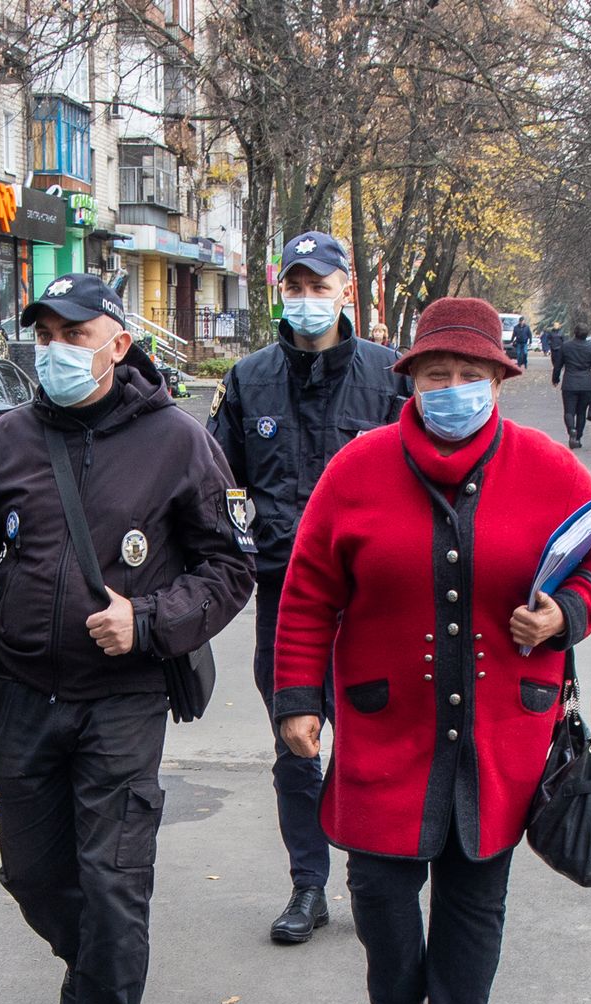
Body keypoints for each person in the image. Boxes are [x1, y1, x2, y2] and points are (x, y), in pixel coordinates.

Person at [272, 295, 591, 1004]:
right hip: (384, 724)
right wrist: (299, 698)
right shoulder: (357, 470)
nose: (456, 388)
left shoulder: (546, 467)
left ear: (500, 382)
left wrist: (564, 614)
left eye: (473, 374)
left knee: (476, 899)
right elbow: (306, 593)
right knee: (379, 892)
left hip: (503, 728)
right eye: (439, 374)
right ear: (413, 381)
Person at [0, 273, 254, 1004]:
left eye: (76, 332)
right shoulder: (4, 443)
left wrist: (147, 621)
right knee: (31, 872)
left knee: (113, 883)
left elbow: (228, 569)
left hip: (124, 701)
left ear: (117, 340)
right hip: (27, 694)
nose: (57, 347)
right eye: (46, 332)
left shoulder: (178, 442)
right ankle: (92, 964)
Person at [207, 230, 408, 947]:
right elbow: (218, 487)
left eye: (319, 287)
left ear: (345, 290)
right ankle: (307, 884)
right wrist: (240, 553)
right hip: (285, 597)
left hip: (376, 604)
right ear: (280, 292)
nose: (307, 300)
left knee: (372, 744)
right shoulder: (248, 379)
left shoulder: (390, 377)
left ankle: (371, 877)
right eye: (295, 287)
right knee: (297, 741)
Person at [551, 323, 591, 448]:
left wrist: (555, 379)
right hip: (586, 384)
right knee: (581, 412)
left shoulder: (566, 346)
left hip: (570, 383)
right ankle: (578, 438)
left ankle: (571, 430)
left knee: (569, 411)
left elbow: (558, 365)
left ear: (575, 332)